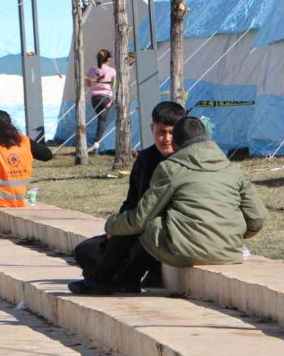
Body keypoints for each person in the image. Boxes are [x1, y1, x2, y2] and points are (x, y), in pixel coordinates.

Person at [69, 116, 267, 295]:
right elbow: (257, 218)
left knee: (143, 222)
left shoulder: (171, 168)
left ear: (178, 143)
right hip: (228, 252)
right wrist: (232, 233)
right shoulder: (233, 169)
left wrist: (111, 225)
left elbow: (140, 218)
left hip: (186, 251)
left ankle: (103, 281)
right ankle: (127, 280)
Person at [69, 101, 186, 295]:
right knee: (86, 251)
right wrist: (116, 228)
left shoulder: (184, 160)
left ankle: (113, 278)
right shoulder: (146, 159)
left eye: (172, 133)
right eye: (161, 132)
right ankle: (118, 275)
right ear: (152, 129)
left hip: (161, 231)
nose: (166, 139)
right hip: (136, 227)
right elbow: (132, 201)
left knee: (136, 236)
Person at [85, 49, 116, 153]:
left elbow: (88, 84)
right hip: (106, 97)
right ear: (108, 59)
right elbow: (115, 86)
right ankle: (97, 143)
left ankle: (97, 144)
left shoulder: (91, 70)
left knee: (100, 119)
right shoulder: (111, 70)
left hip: (94, 98)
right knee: (102, 120)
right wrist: (112, 100)